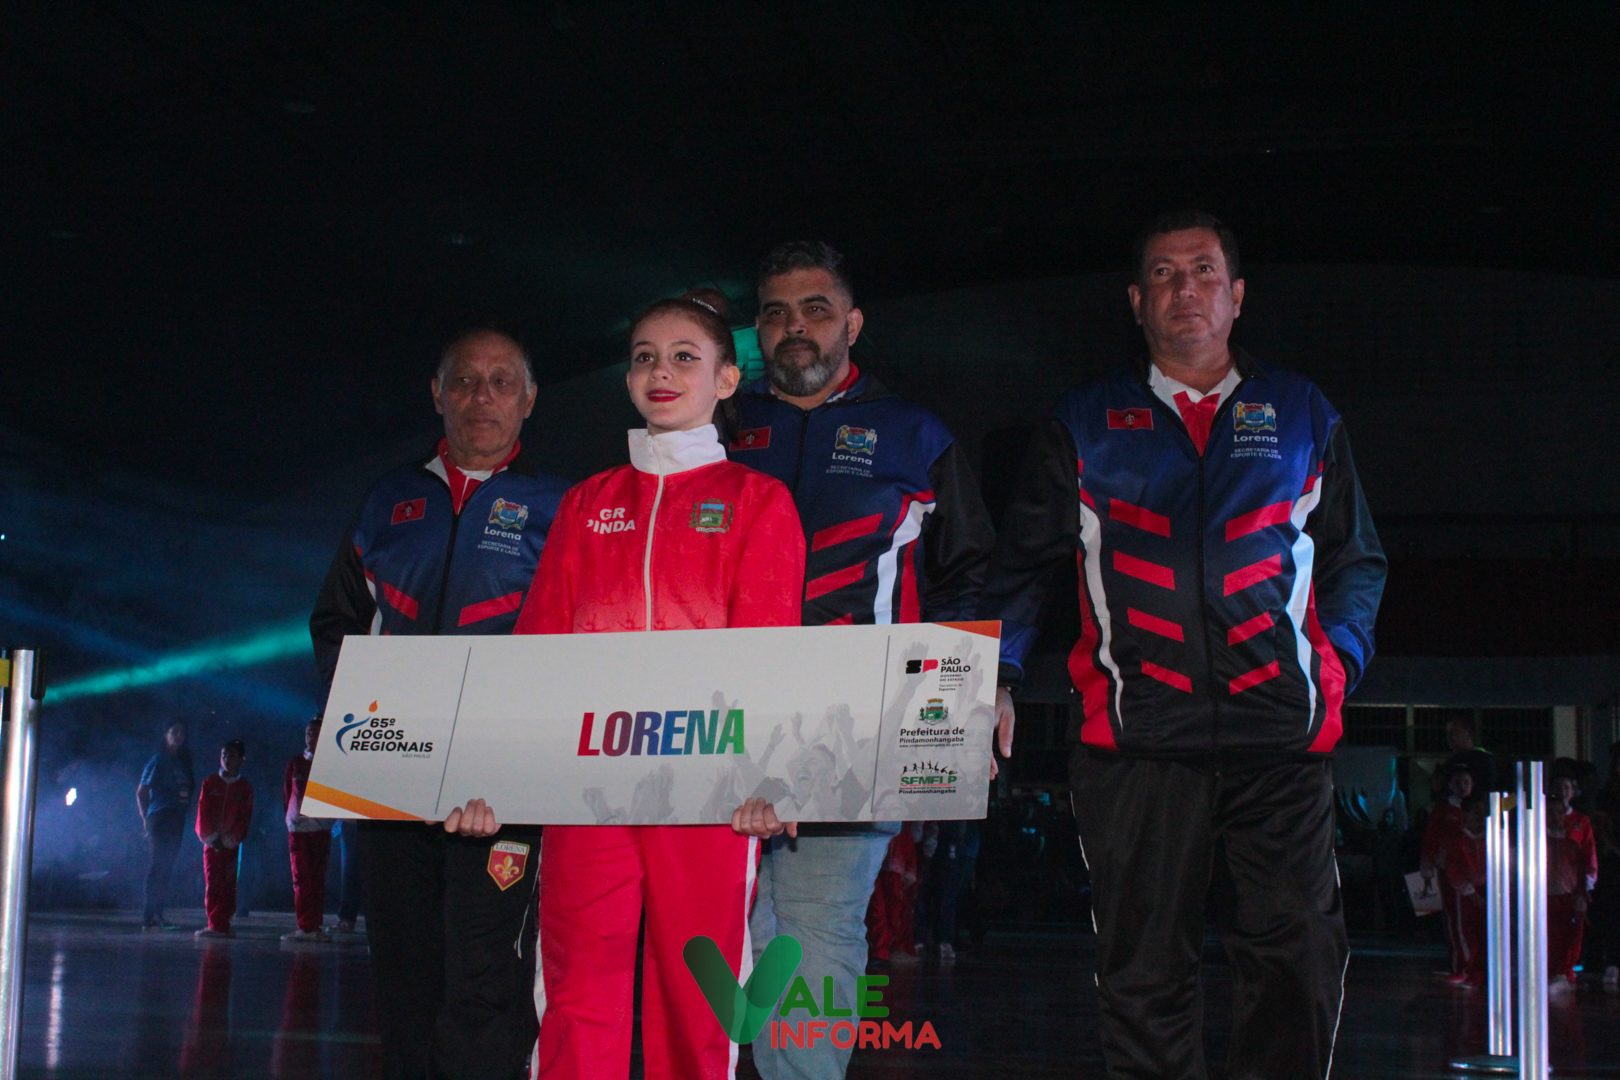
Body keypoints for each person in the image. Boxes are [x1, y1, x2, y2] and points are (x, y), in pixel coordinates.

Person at [979, 211, 1387, 1080]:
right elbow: (1022, 566)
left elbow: (1356, 560)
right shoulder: (1084, 420)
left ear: (1237, 295)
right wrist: (997, 673)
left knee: (1298, 959)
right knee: (1143, 974)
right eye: (1163, 274)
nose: (1184, 288)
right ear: (1136, 301)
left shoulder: (1302, 411)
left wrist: (1339, 664)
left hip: (1279, 741)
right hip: (1136, 747)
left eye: (1203, 271)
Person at [471, 287, 805, 1080]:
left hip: (709, 793)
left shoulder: (758, 502)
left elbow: (771, 656)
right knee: (577, 992)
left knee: (698, 999)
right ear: (627, 380)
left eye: (685, 357)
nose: (662, 372)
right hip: (588, 789)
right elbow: (537, 653)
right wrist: (494, 774)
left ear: (727, 378)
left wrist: (771, 778)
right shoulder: (588, 504)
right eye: (645, 358)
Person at [725, 240, 995, 1080]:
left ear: (853, 323)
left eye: (815, 309)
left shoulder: (915, 435)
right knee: (732, 934)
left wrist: (981, 695)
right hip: (720, 721)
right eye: (776, 312)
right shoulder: (721, 428)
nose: (795, 327)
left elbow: (968, 575)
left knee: (818, 928)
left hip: (855, 727)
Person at [309, 328, 570, 1079]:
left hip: (505, 791)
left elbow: (582, 644)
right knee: (403, 977)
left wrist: (529, 756)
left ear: (528, 399)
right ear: (436, 394)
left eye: (501, 381)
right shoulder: (388, 499)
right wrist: (372, 737)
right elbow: (336, 624)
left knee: (489, 982)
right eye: (463, 380)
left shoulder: (561, 507)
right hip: (392, 787)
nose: (481, 397)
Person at [136, 719, 195, 931]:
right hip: (160, 816)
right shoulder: (159, 760)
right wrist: (145, 818)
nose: (179, 736)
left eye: (182, 733)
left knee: (167, 866)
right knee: (158, 864)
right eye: (174, 732)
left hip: (176, 817)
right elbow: (142, 791)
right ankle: (149, 915)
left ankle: (158, 914)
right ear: (166, 735)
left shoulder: (182, 761)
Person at [195, 739, 254, 939]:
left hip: (231, 845)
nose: (227, 759)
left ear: (241, 759)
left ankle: (223, 923)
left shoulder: (244, 788)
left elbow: (244, 818)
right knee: (213, 881)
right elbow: (202, 811)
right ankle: (215, 923)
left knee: (228, 883)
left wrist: (230, 839)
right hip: (212, 844)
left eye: (232, 756)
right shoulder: (210, 782)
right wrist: (211, 838)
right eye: (224, 755)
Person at [283, 718, 334, 943]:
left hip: (320, 828)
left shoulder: (331, 763)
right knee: (300, 877)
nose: (311, 737)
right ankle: (305, 925)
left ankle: (314, 924)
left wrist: (329, 821)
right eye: (308, 733)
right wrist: (292, 820)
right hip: (299, 829)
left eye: (316, 733)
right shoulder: (295, 762)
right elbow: (287, 794)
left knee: (317, 876)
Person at [1421, 766, 1475, 980]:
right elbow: (1431, 840)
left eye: (1466, 782)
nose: (1463, 786)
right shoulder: (1442, 810)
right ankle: (1460, 965)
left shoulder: (1477, 808)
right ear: (1450, 785)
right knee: (1454, 918)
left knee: (1469, 919)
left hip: (1474, 872)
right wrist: (1428, 867)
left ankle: (1469, 964)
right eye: (1458, 782)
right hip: (1449, 872)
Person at [1549, 770, 1598, 990]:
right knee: (1551, 933)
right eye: (1557, 787)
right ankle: (1551, 971)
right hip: (1547, 891)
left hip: (1572, 891)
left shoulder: (1580, 822)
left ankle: (1566, 972)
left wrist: (1584, 890)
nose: (1562, 791)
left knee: (1572, 934)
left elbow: (1589, 857)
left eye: (1566, 787)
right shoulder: (1538, 828)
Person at [1441, 797, 1489, 989]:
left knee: (1487, 933)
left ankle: (1483, 972)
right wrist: (1470, 893)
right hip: (1466, 896)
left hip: (1489, 893)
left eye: (1484, 812)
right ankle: (1470, 971)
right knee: (1468, 933)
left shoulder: (1492, 839)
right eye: (1476, 812)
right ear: (1466, 814)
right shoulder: (1458, 842)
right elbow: (1454, 871)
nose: (1480, 816)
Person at [1434, 715, 1496, 798]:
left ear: (1469, 733)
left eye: (1455, 732)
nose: (1450, 737)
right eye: (1447, 733)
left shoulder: (1483, 759)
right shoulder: (1451, 761)